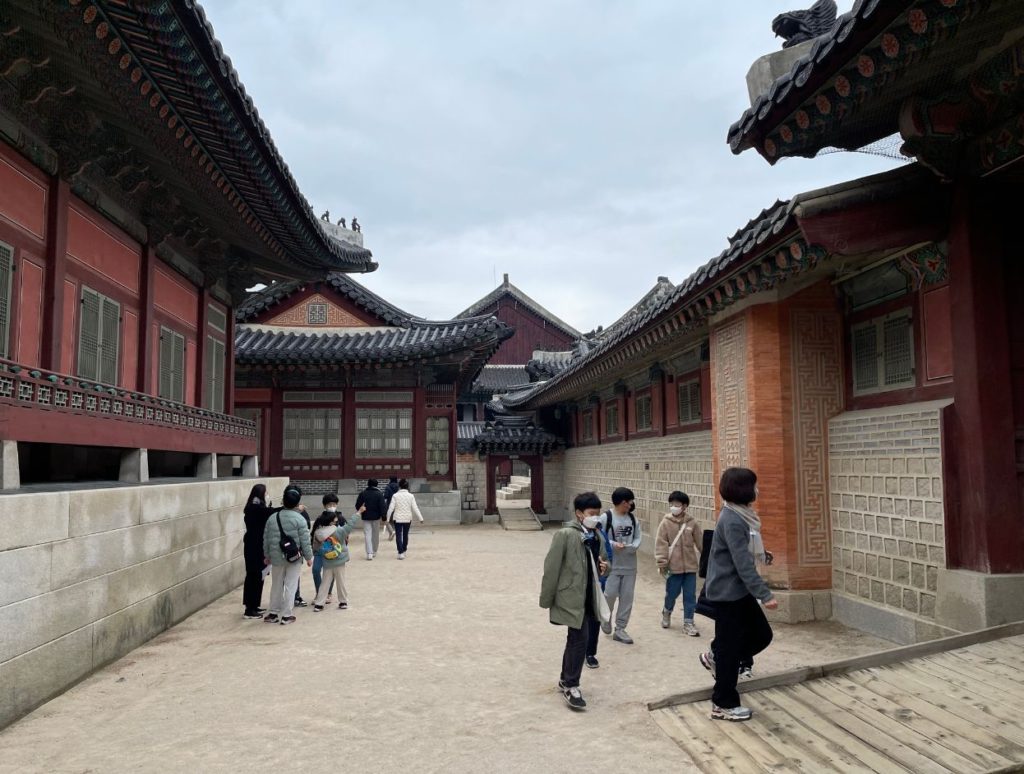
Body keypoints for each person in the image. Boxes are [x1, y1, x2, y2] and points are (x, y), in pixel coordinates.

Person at [700, 467, 777, 722]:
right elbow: (741, 563)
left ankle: (716, 656)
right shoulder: (732, 519)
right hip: (728, 593)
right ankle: (723, 703)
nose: (758, 490)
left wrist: (762, 556)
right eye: (754, 485)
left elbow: (746, 551)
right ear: (743, 488)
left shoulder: (741, 515)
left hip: (738, 591)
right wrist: (765, 594)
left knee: (761, 636)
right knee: (731, 650)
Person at [540, 492, 609, 711]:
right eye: (591, 513)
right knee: (580, 639)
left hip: (591, 595)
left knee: (576, 639)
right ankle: (572, 684)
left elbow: (604, 561)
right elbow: (551, 568)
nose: (596, 517)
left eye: (598, 513)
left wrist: (606, 567)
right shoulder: (565, 535)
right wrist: (547, 599)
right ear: (579, 514)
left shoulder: (597, 535)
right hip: (571, 596)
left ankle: (565, 678)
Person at [262, 485, 313, 625]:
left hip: (276, 558)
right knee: (291, 585)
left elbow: (266, 539)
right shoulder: (300, 519)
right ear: (297, 503)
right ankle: (286, 615)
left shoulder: (272, 518)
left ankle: (273, 613)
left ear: (283, 501)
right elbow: (305, 541)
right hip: (293, 558)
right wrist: (309, 557)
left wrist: (267, 555)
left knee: (276, 585)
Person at [655, 491, 703, 636]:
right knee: (672, 593)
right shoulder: (665, 522)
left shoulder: (692, 523)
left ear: (685, 506)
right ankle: (666, 611)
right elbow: (661, 543)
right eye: (672, 504)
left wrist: (707, 558)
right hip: (673, 567)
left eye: (677, 504)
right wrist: (661, 561)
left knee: (690, 596)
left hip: (690, 567)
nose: (674, 507)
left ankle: (688, 622)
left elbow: (700, 542)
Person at [600, 487, 641, 644]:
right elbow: (600, 537)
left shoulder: (632, 519)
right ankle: (606, 618)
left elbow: (638, 536)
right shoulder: (606, 517)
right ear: (622, 502)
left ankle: (621, 629)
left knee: (627, 598)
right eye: (629, 501)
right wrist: (612, 544)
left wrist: (633, 546)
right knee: (609, 594)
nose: (630, 504)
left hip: (630, 565)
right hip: (612, 565)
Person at [311, 504, 365, 611]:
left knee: (325, 582)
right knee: (341, 582)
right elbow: (350, 525)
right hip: (339, 560)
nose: (336, 519)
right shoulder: (338, 531)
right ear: (331, 521)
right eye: (334, 518)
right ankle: (343, 601)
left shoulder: (318, 533)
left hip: (327, 561)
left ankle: (319, 603)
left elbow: (316, 547)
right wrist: (358, 512)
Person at [242, 484, 275, 619]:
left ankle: (255, 605)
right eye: (266, 492)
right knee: (254, 576)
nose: (267, 494)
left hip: (256, 545)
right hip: (253, 547)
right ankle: (249, 609)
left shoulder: (256, 507)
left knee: (259, 576)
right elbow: (268, 512)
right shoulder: (254, 508)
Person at [312, 493, 345, 603]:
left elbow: (344, 535)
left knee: (331, 573)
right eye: (329, 504)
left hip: (332, 551)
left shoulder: (340, 518)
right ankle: (319, 592)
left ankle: (328, 593)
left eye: (334, 504)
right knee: (316, 570)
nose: (332, 506)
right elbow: (314, 533)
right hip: (319, 550)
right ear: (324, 505)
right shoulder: (319, 518)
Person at [385, 478, 424, 559]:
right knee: (405, 534)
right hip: (407, 518)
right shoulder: (411, 496)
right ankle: (404, 550)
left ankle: (400, 552)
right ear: (407, 486)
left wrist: (387, 519)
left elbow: (391, 508)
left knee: (398, 535)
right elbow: (415, 507)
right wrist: (421, 518)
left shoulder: (395, 496)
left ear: (399, 486)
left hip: (397, 518)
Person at [355, 478, 387, 560]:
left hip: (366, 516)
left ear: (368, 484)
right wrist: (384, 516)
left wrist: (361, 510)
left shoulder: (363, 493)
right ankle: (374, 551)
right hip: (376, 517)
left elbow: (357, 505)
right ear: (376, 485)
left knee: (367, 535)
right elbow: (382, 506)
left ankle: (369, 553)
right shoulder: (379, 494)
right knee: (375, 534)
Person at [383, 476, 400, 541]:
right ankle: (396, 534)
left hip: (390, 505)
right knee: (396, 520)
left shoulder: (388, 487)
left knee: (388, 520)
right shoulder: (399, 487)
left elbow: (385, 496)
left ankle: (391, 532)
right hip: (398, 505)